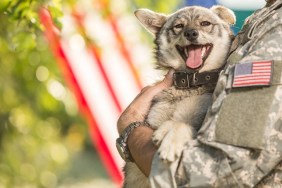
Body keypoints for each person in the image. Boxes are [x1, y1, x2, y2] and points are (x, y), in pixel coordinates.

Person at [117, 0, 282, 187]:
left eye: (204, 24)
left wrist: (130, 127)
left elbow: (213, 173)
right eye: (179, 27)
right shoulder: (264, 16)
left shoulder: (276, 27)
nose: (192, 31)